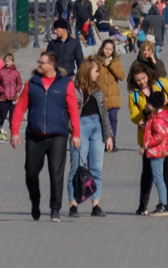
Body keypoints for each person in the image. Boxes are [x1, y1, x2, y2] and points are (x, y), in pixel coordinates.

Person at [9, 50, 80, 221]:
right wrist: (14, 131)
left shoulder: (65, 84)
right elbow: (20, 108)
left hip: (58, 136)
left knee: (56, 174)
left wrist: (76, 134)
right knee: (31, 172)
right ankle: (35, 200)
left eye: (42, 62)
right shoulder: (31, 84)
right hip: (35, 135)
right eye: (38, 62)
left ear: (51, 65)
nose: (38, 65)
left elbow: (73, 110)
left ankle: (55, 209)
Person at [127, 65, 168, 216]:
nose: (141, 82)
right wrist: (141, 116)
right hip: (148, 135)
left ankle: (165, 203)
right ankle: (143, 204)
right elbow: (133, 115)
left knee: (167, 168)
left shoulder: (161, 83)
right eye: (138, 80)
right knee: (147, 170)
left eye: (144, 78)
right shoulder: (134, 95)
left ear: (148, 75)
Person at [68, 57, 115, 217]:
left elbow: (104, 114)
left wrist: (108, 136)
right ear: (88, 72)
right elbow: (67, 112)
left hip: (97, 128)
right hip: (80, 127)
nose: (98, 74)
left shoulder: (97, 90)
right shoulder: (72, 88)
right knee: (77, 168)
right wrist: (72, 131)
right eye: (96, 71)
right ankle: (73, 204)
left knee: (96, 169)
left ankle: (96, 205)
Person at [89, 37, 126, 141]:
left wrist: (110, 65)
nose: (108, 51)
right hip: (100, 95)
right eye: (106, 48)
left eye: (110, 49)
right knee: (102, 120)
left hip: (113, 95)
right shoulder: (96, 61)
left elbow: (122, 76)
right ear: (102, 48)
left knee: (113, 119)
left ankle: (112, 141)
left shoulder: (116, 61)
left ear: (113, 50)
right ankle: (103, 141)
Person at [0, 53, 22, 140]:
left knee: (13, 117)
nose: (7, 62)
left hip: (13, 98)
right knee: (2, 115)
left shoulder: (16, 72)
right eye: (6, 60)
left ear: (13, 61)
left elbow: (19, 82)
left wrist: (17, 89)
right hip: (3, 98)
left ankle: (13, 132)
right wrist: (1, 90)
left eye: (9, 60)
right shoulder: (1, 72)